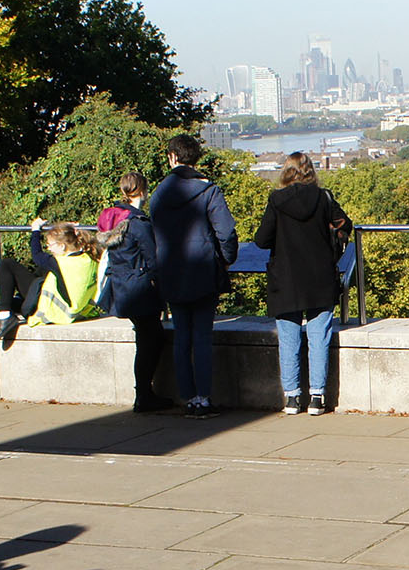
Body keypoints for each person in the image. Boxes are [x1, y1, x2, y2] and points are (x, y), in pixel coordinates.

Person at [253, 152, 350, 416]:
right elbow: (345, 224)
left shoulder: (276, 201)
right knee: (319, 336)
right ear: (310, 172)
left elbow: (262, 239)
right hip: (320, 277)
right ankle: (317, 397)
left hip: (286, 279)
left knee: (288, 338)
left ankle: (292, 397)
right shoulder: (323, 198)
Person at [149, 134, 238, 419]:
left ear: (172, 157)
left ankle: (188, 397)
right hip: (202, 271)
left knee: (181, 336)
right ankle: (203, 397)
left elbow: (155, 234)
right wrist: (225, 259)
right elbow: (226, 232)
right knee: (202, 336)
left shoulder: (160, 192)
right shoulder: (209, 191)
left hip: (171, 272)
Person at [96, 172, 173, 413]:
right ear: (143, 191)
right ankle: (144, 394)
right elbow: (153, 259)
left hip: (120, 286)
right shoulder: (138, 223)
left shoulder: (112, 219)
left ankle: (144, 393)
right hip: (139, 288)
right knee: (151, 340)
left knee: (146, 338)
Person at [0, 220, 101, 343]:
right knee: (41, 272)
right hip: (78, 310)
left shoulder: (58, 263)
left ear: (62, 246)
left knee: (7, 264)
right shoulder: (89, 259)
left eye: (51, 245)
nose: (49, 248)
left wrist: (35, 230)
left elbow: (36, 254)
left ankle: (4, 316)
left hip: (52, 311)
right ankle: (13, 303)